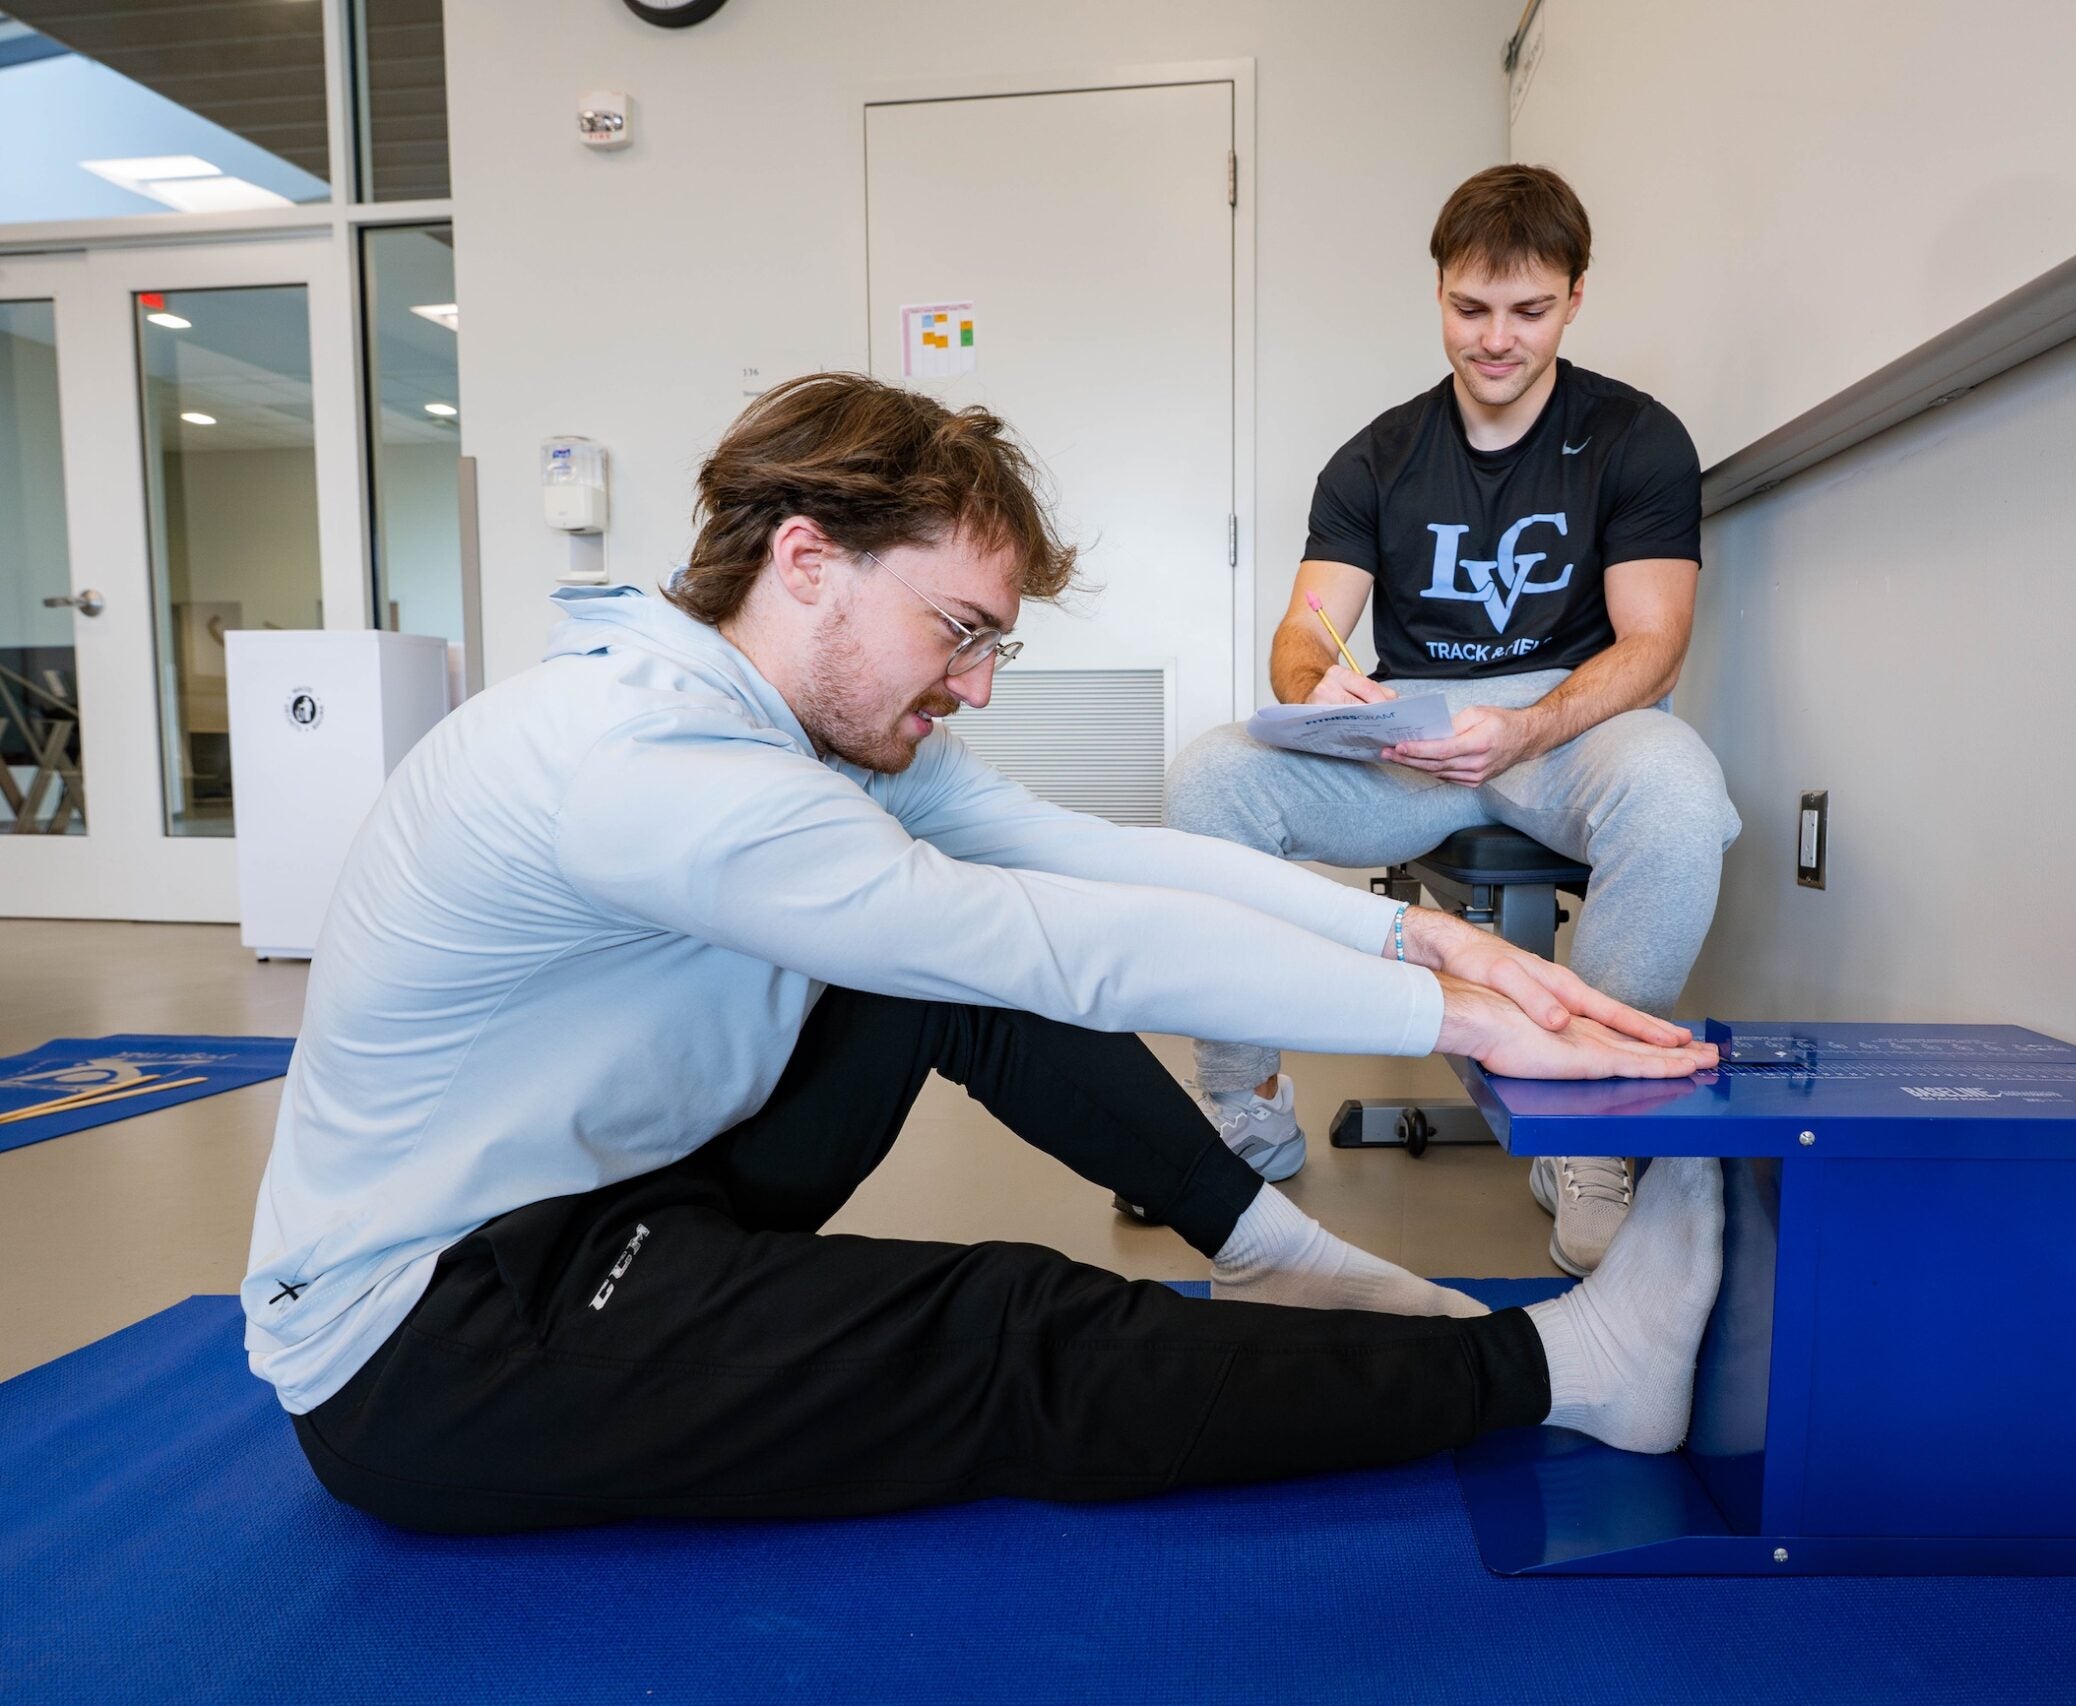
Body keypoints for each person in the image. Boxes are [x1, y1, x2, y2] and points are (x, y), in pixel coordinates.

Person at [241, 372, 1728, 1534]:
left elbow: (1098, 857)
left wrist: (1423, 933)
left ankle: (1290, 1263)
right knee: (1005, 1329)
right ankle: (1564, 1373)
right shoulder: (649, 763)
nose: (972, 687)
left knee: (928, 981)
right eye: (957, 631)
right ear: (807, 560)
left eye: (989, 647)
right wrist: (1446, 1014)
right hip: (438, 1334)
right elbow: (1048, 943)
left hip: (614, 1184)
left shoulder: (805, 721)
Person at [1165, 165, 1743, 1277]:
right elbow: (1302, 630)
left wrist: (1523, 727)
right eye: (1469, 309)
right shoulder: (1376, 456)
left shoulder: (1637, 437)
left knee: (1678, 790)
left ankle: (1589, 1128)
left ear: (1574, 299)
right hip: (1408, 733)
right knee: (1207, 777)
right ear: (1438, 293)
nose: (1494, 339)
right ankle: (1247, 1109)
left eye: (1527, 311)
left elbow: (1654, 641)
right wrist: (1314, 684)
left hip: (1573, 722)